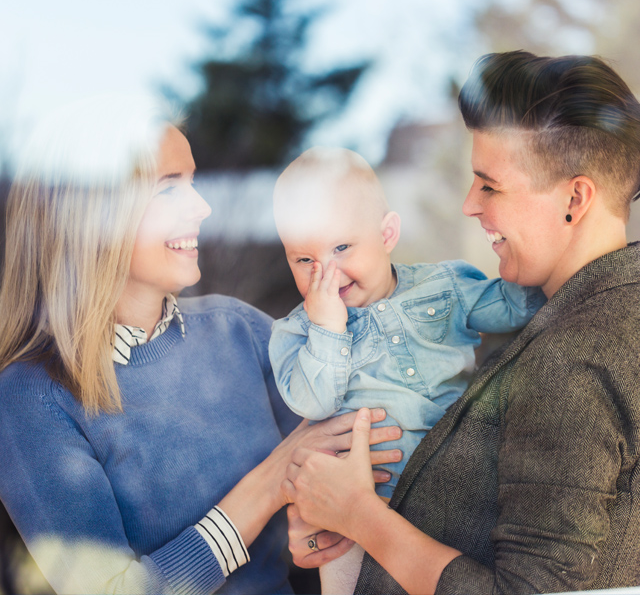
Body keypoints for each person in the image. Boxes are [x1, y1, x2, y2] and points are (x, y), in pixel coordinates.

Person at [0, 95, 400, 595]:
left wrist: (320, 528)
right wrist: (270, 482)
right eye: (169, 189)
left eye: (192, 183)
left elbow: (367, 454)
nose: (203, 206)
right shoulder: (30, 399)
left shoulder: (241, 332)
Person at [283, 50, 640, 595]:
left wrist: (360, 517)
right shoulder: (603, 320)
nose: (470, 204)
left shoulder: (574, 360)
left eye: (490, 184)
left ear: (575, 197)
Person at [269, 147, 545, 592]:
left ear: (387, 234)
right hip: (353, 517)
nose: (326, 273)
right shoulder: (297, 333)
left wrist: (537, 247)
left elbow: (517, 308)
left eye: (341, 247)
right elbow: (312, 400)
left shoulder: (445, 285)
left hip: (457, 491)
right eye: (304, 259)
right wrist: (328, 330)